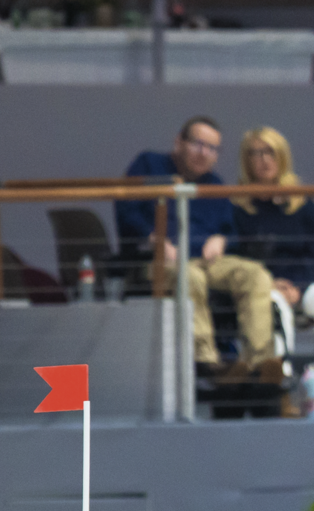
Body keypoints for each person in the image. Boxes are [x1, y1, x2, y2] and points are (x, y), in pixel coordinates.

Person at [116, 115, 283, 390]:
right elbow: (126, 209)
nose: (204, 153)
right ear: (178, 142)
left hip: (206, 259)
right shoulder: (148, 164)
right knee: (189, 275)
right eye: (198, 144)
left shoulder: (215, 185)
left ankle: (259, 364)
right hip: (158, 260)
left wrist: (221, 239)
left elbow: (231, 230)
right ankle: (209, 362)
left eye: (212, 148)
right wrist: (153, 239)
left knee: (255, 274)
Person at [232, 126, 314, 417]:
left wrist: (299, 287)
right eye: (255, 153)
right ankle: (283, 391)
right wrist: (270, 284)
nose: (264, 159)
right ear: (246, 160)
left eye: (270, 152)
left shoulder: (302, 204)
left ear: (282, 157)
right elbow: (238, 258)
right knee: (271, 306)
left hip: (303, 285)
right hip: (263, 289)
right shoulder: (237, 206)